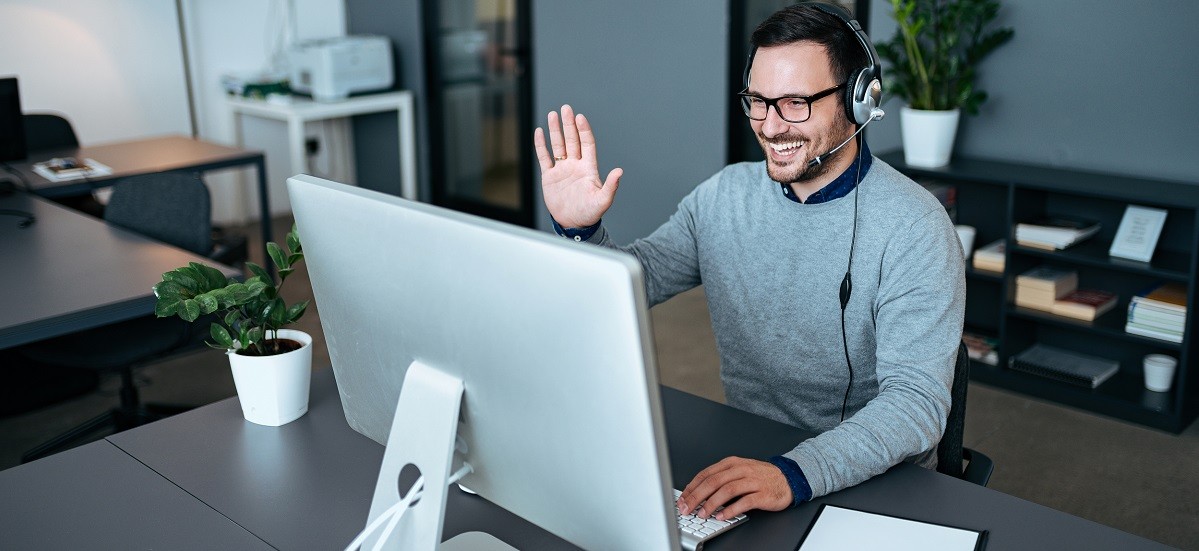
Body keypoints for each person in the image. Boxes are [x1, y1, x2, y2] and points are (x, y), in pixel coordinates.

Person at [534, 2, 965, 522]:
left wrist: (793, 473)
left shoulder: (915, 227)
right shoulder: (722, 198)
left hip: (873, 479)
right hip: (748, 457)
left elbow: (915, 405)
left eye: (794, 103)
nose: (771, 125)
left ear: (857, 101)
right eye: (758, 101)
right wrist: (580, 230)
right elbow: (632, 283)